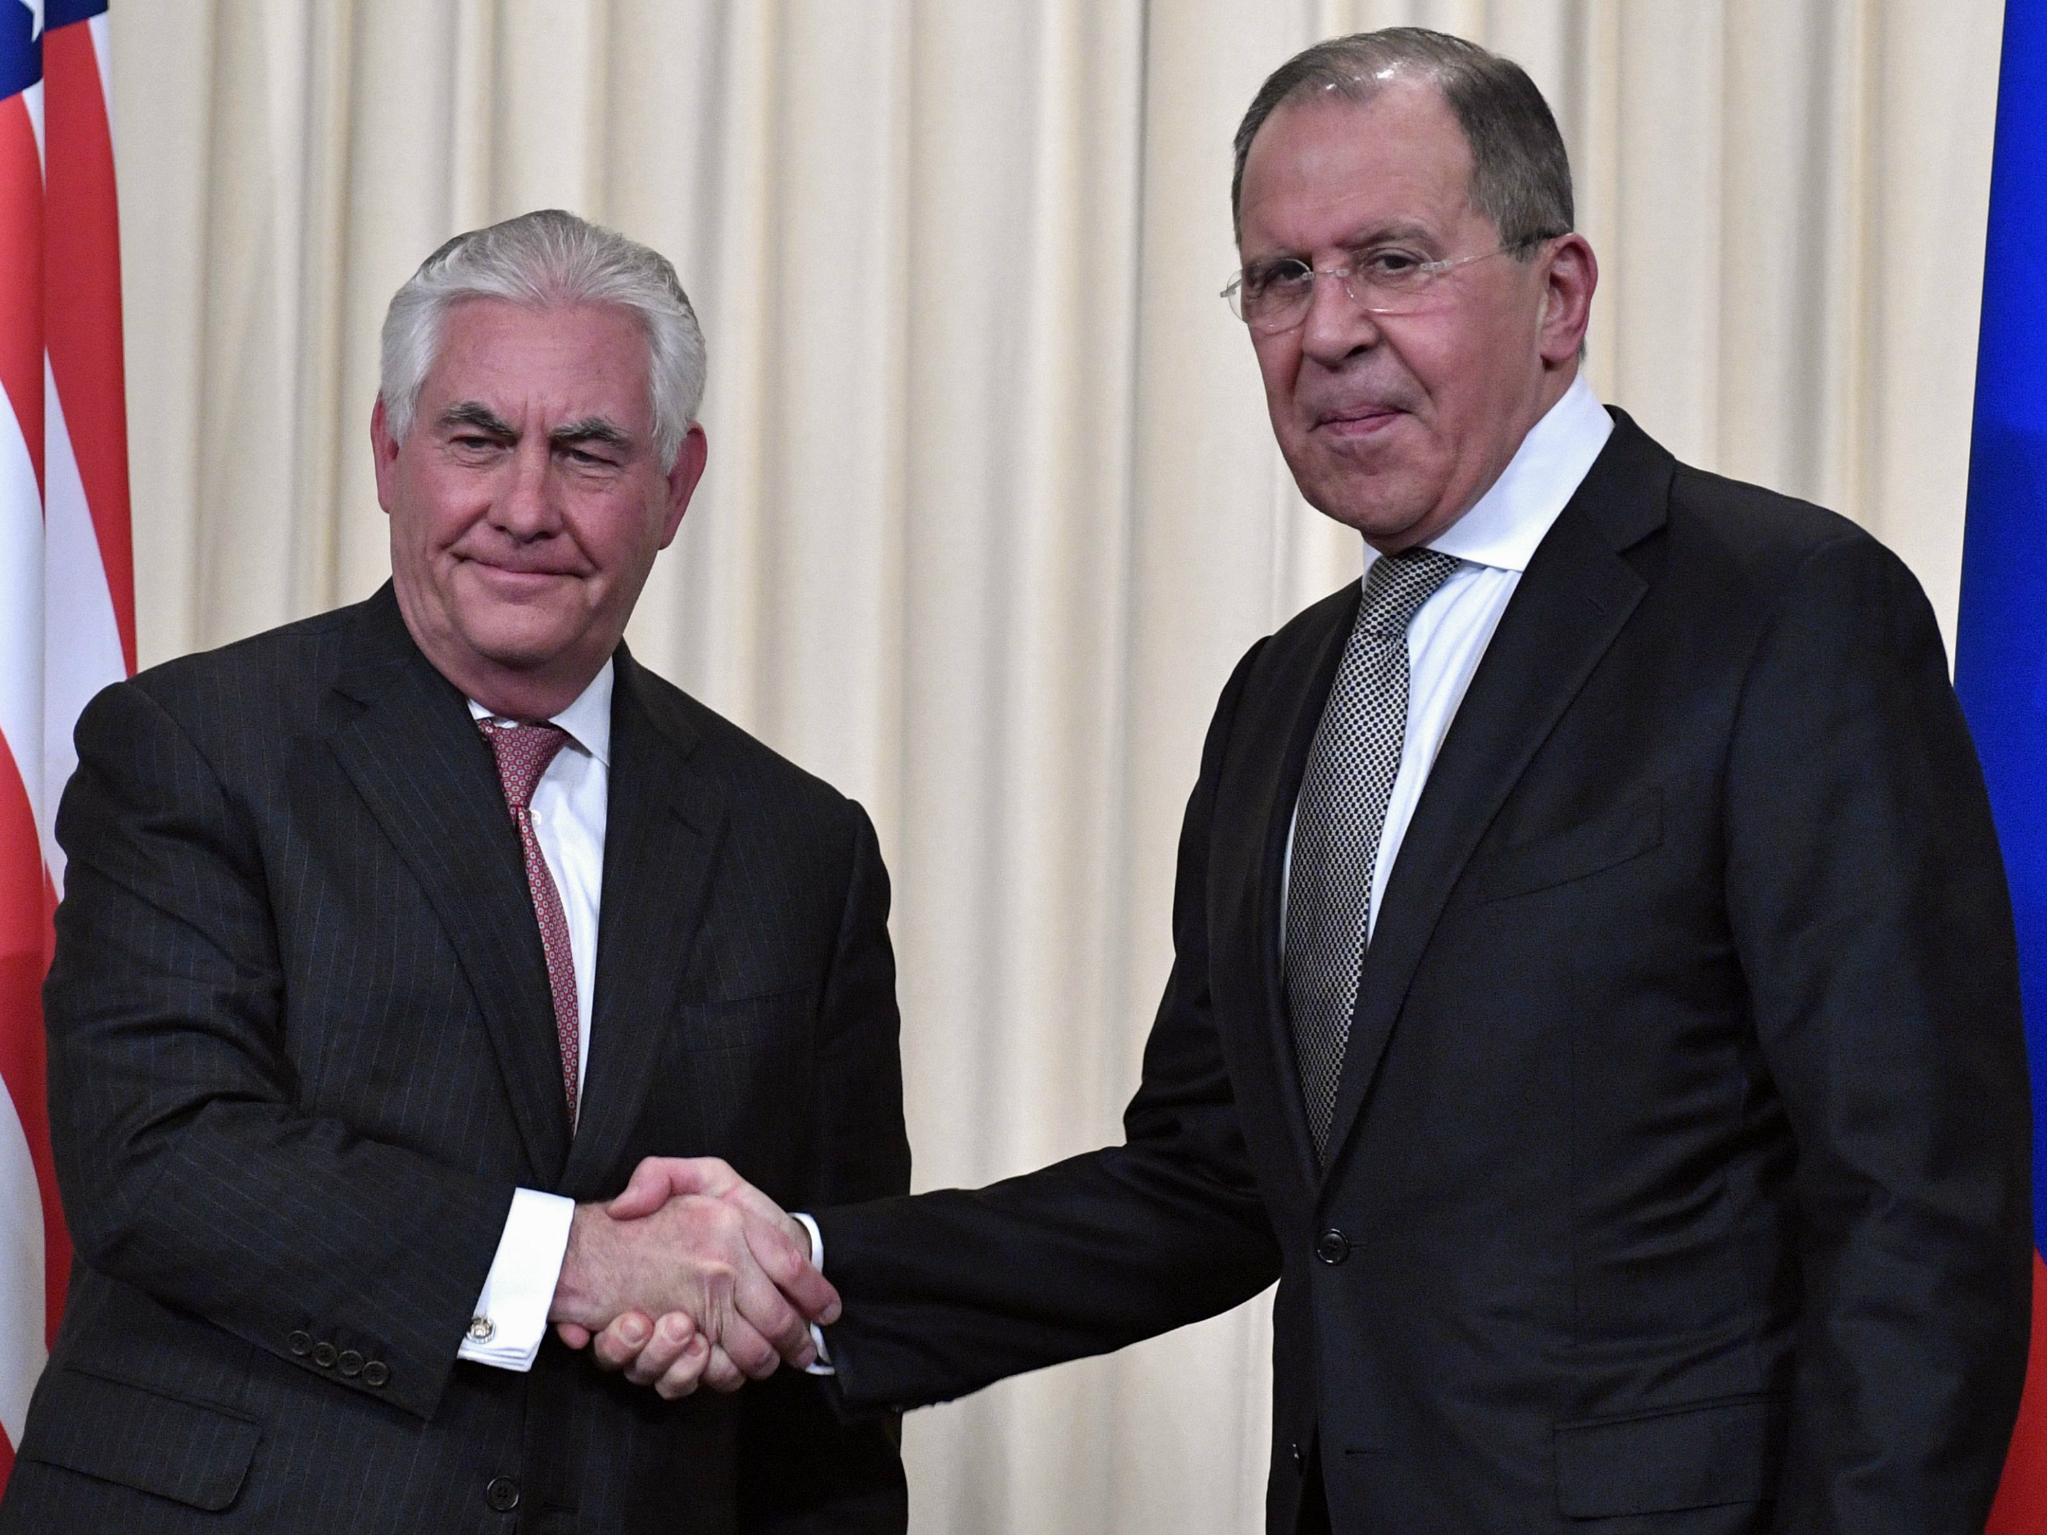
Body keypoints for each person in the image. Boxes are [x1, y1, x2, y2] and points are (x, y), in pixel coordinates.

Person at [593, 29, 2032, 1533]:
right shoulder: (1285, 697)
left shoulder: (1782, 613)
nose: (1327, 329)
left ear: (1562, 295)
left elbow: (1919, 1207)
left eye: (1393, 260)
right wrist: (810, 1272)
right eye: (1279, 278)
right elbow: (1217, 1185)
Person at [0, 209, 910, 1532]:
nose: (524, 507)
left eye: (588, 451)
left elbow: (819, 1319)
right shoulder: (196, 749)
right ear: (389, 451)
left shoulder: (798, 847)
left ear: (677, 481)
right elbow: (163, 1158)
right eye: (477, 439)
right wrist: (572, 1266)